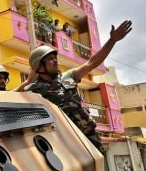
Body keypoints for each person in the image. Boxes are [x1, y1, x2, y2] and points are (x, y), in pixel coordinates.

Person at [25, 20, 132, 152]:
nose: (56, 61)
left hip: (91, 138)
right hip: (66, 145)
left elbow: (92, 63)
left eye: (55, 57)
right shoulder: (33, 91)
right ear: (39, 66)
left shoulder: (68, 76)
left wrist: (112, 41)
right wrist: (27, 82)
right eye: (50, 59)